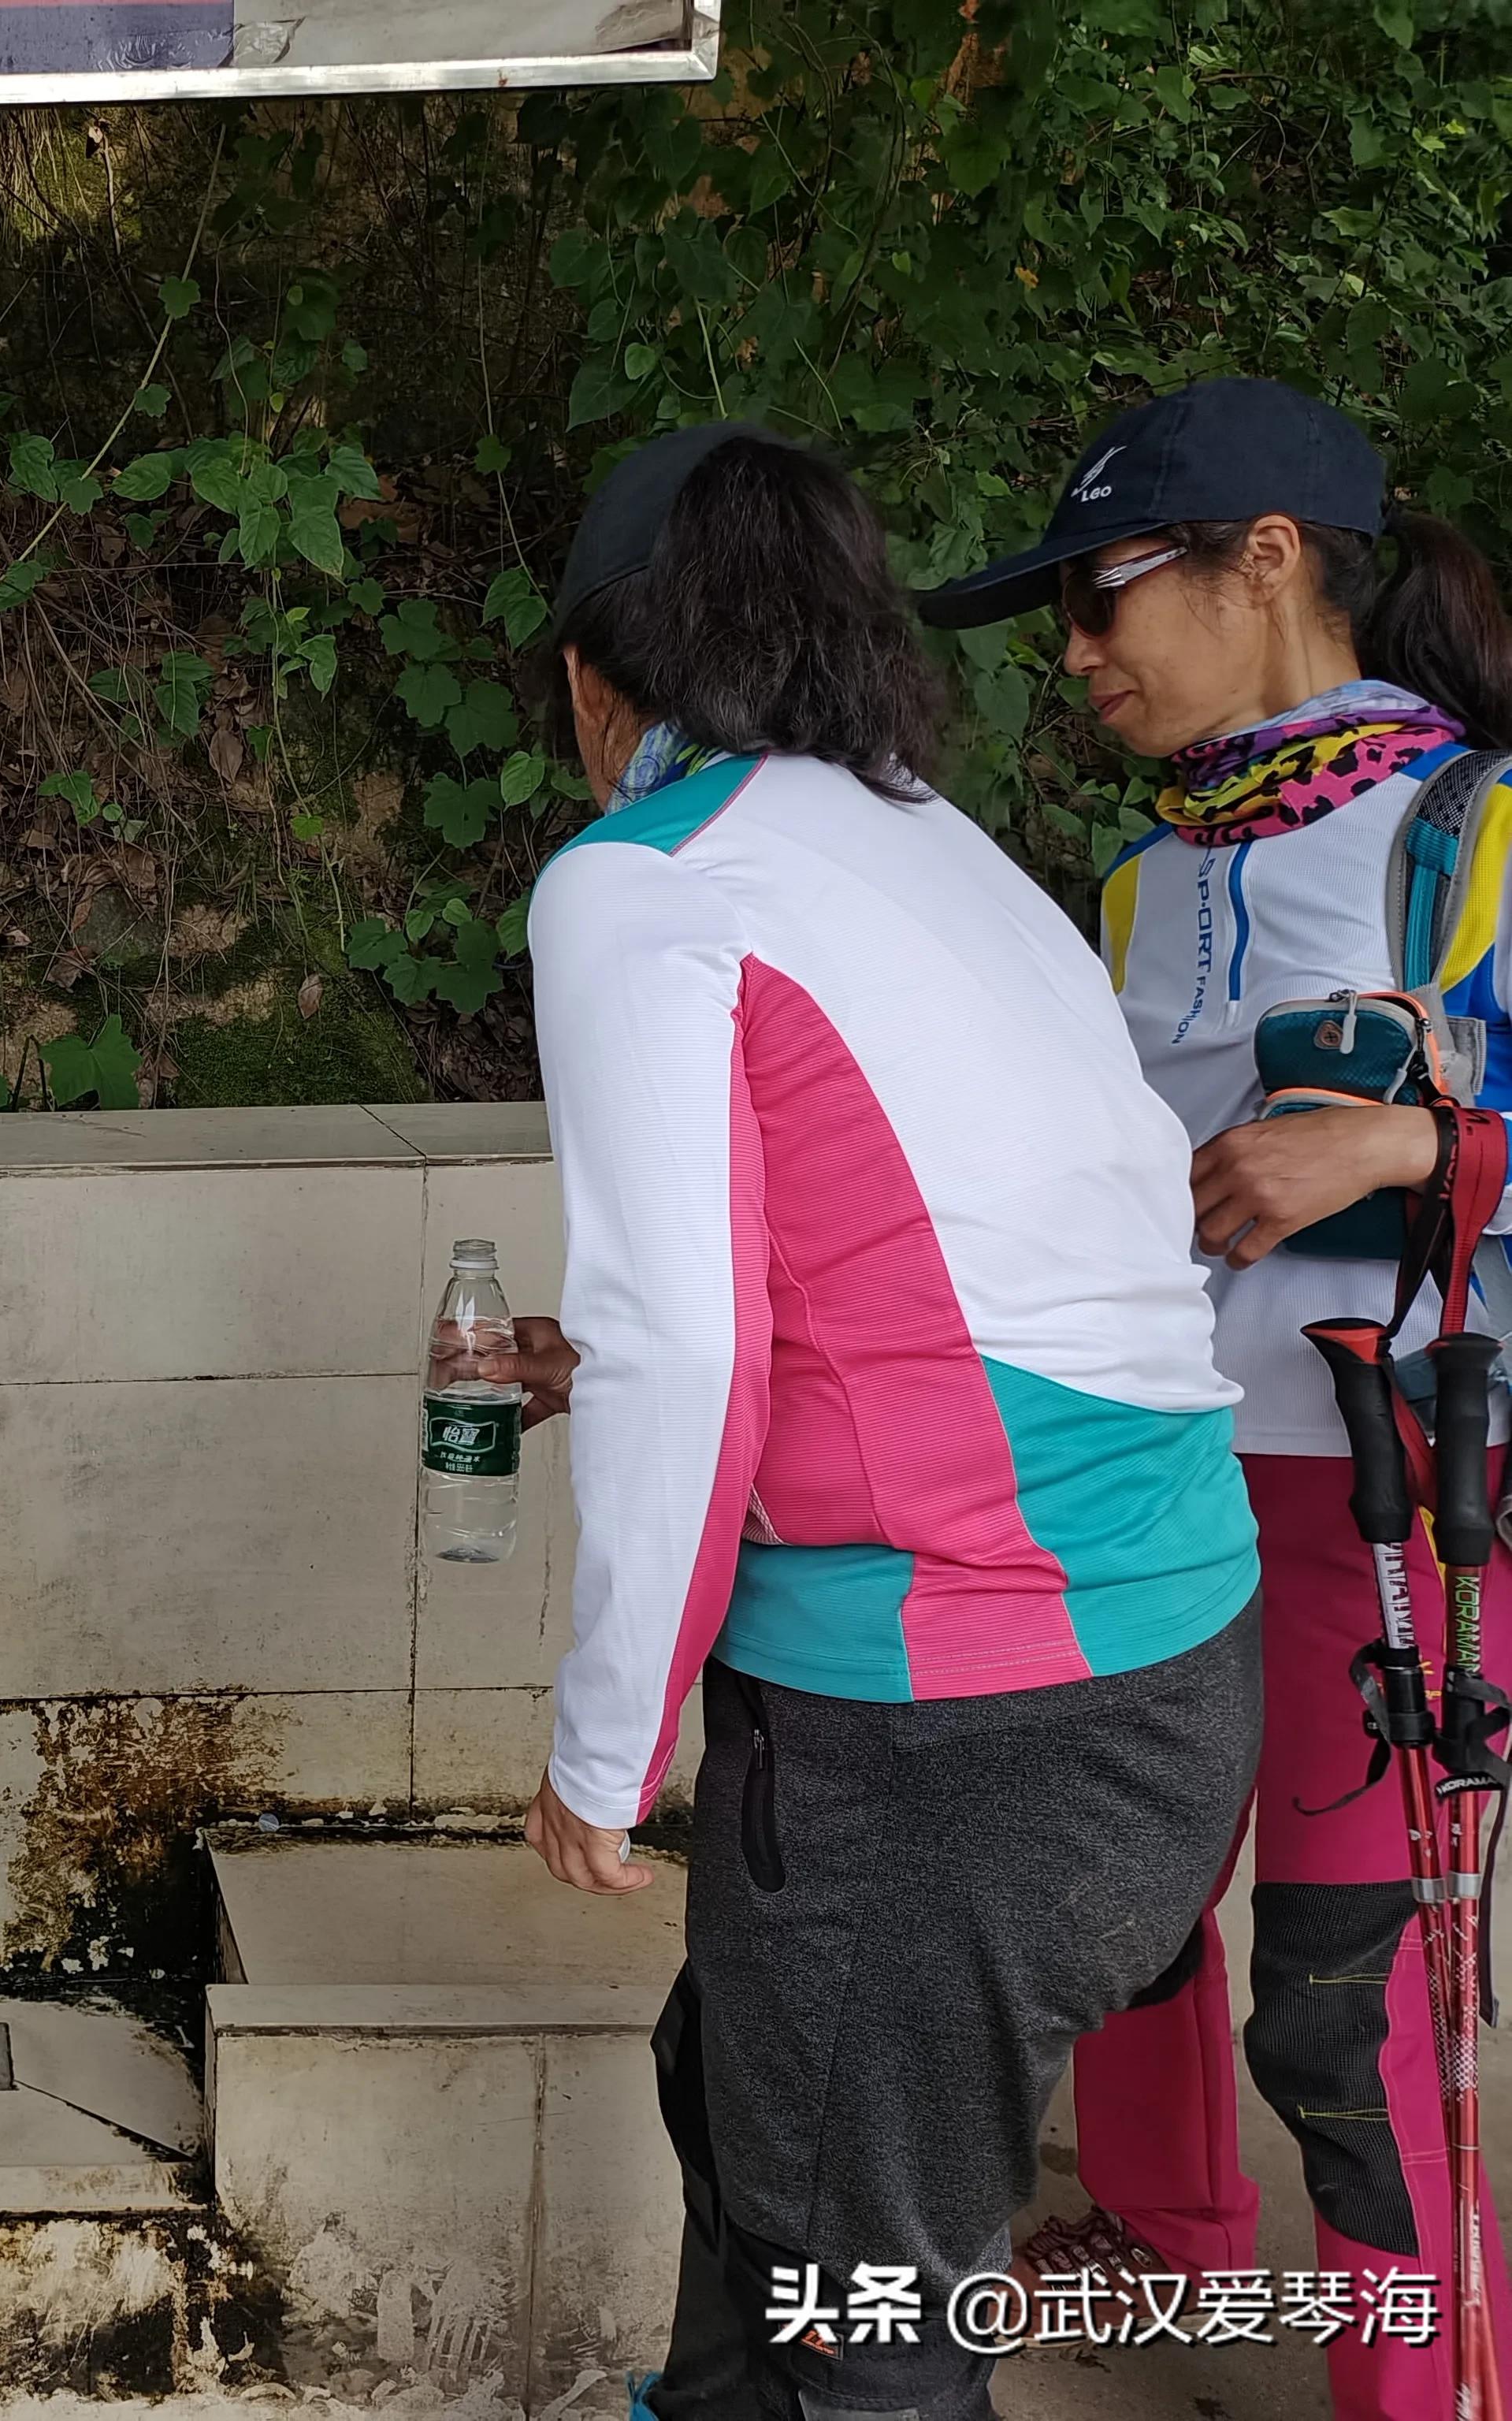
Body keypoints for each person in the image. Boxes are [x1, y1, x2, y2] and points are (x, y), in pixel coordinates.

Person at [507, 422, 1264, 2421]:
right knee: (748, 2124)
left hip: (950, 1722)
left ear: (593, 681)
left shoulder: (640, 883)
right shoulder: (932, 842)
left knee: (861, 2320)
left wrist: (601, 1748)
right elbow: (950, 1269)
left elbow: (683, 1343)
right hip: (1156, 1677)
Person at [923, 377, 1512, 2416]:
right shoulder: (1142, 876)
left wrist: (1413, 1147)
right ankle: (1158, 2239)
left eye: (1098, 595)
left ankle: (1419, 2395)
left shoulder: (1476, 829)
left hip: (1386, 1492)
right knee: (1120, 1902)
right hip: (1149, 1480)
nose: (1075, 651)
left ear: (1265, 561)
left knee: (1343, 2004)